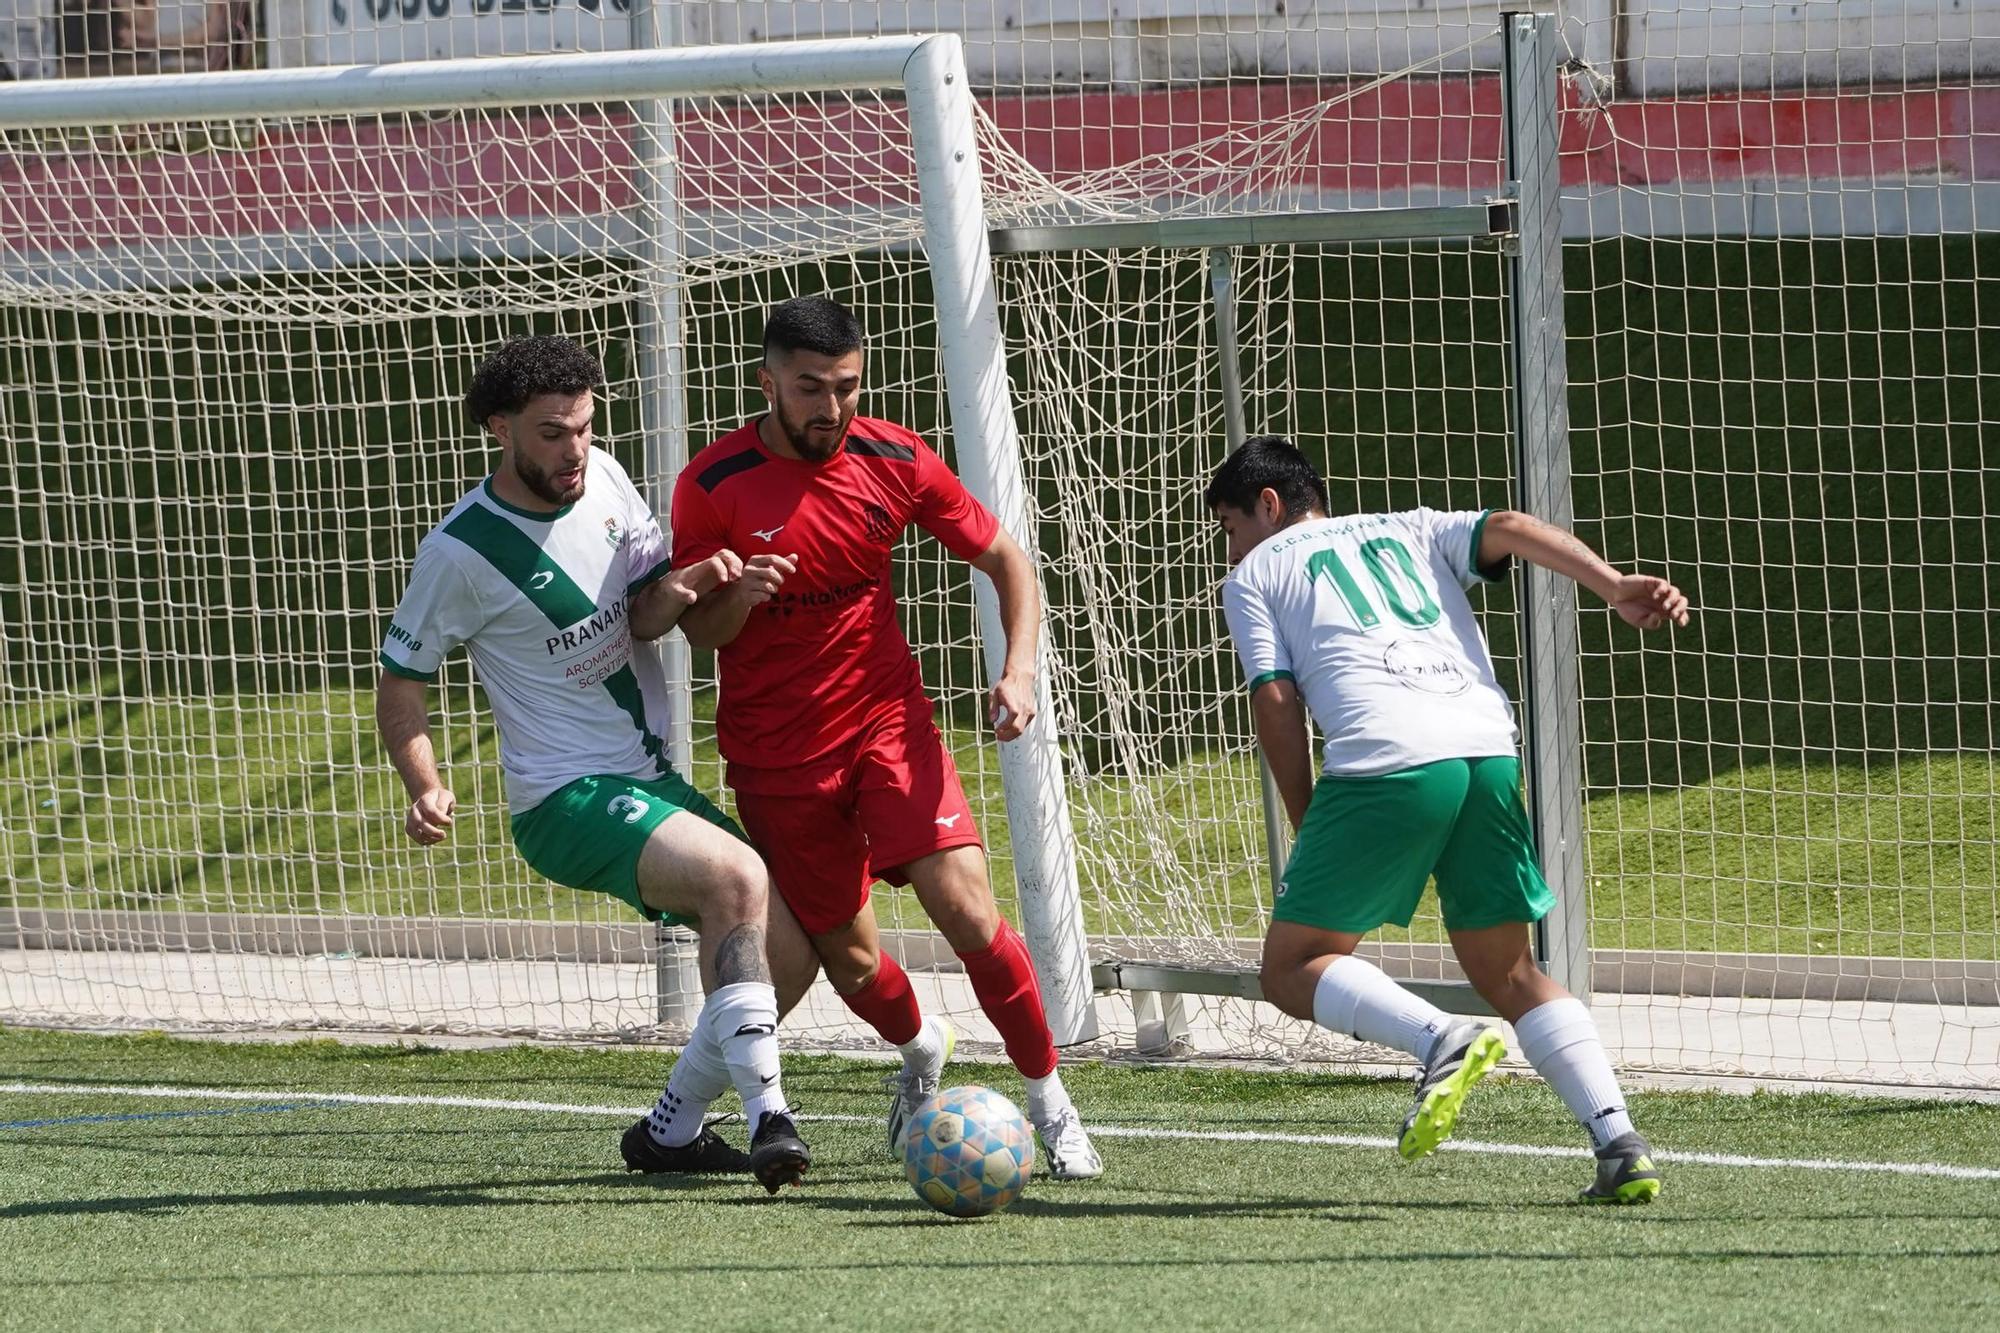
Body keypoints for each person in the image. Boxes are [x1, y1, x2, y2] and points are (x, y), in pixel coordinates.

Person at [670, 296, 1102, 1180]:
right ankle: (919, 1054)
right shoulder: (710, 485)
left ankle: (1051, 1102)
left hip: (888, 726)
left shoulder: (895, 455)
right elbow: (698, 633)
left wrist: (1018, 670)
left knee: (972, 914)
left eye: (845, 387)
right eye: (809, 389)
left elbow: (1007, 559)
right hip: (779, 762)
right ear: (766, 383)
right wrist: (739, 594)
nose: (830, 407)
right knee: (858, 965)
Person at [376, 335, 816, 1194]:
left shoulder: (608, 478)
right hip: (562, 798)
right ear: (498, 428)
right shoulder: (460, 552)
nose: (574, 449)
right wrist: (423, 782)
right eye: (551, 433)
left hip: (645, 777)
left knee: (791, 949)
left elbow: (642, 617)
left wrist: (685, 584)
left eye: (583, 426)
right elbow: (400, 684)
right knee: (735, 877)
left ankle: (672, 1128)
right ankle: (773, 1118)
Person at [1207, 435, 1687, 1204]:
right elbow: (1507, 525)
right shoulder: (1409, 524)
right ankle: (1619, 1141)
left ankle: (1442, 1039)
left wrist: (1308, 815)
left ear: (1269, 505)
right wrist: (1610, 582)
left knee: (1291, 966)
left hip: (1387, 761)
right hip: (1488, 753)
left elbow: (1275, 698)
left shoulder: (1255, 572)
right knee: (1510, 969)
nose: (1228, 547)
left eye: (1229, 525)